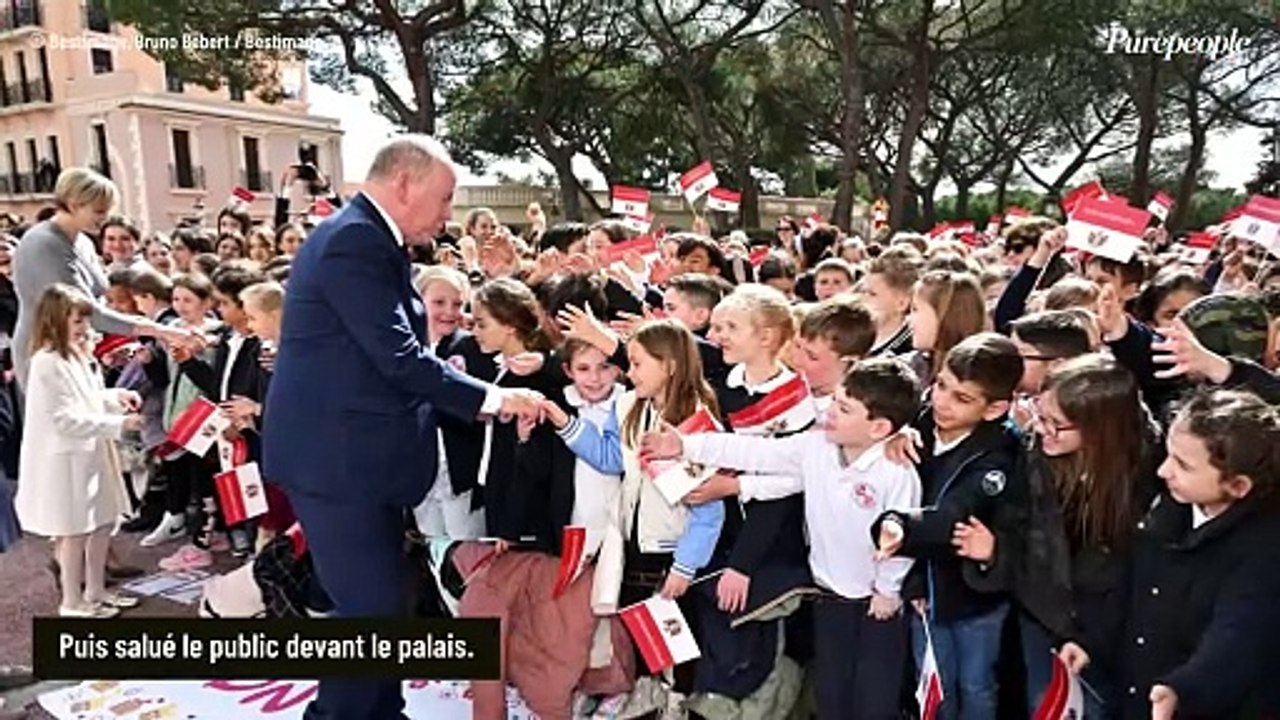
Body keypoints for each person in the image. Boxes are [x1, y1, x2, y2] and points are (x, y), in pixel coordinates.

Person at [262, 135, 542, 720]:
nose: (448, 215)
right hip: (338, 461)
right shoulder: (355, 242)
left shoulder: (363, 237)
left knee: (383, 606)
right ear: (405, 184)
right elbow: (399, 358)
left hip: (358, 459)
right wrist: (494, 398)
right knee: (370, 614)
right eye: (444, 199)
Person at [642, 357, 923, 720]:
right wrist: (685, 446)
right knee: (832, 695)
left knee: (873, 699)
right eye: (834, 401)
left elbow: (899, 539)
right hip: (829, 594)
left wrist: (888, 590)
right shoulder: (817, 446)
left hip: (876, 604)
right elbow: (755, 452)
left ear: (879, 426)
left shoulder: (896, 471)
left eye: (845, 409)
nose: (831, 413)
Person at [1061, 389, 1280, 719]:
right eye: (1168, 455)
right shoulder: (1166, 511)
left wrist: (1183, 688)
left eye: (1183, 465)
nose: (1164, 471)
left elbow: (1237, 638)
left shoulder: (1264, 552)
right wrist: (1092, 642)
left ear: (1237, 485)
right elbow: (1129, 590)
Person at [13, 284, 143, 617]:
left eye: (86, 320)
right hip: (65, 459)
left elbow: (84, 399)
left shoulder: (74, 354)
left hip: (89, 452)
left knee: (100, 524)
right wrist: (118, 425)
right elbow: (61, 418)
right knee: (73, 532)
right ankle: (72, 600)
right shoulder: (46, 362)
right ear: (55, 320)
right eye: (77, 320)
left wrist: (114, 397)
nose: (85, 328)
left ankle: (96, 590)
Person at [11, 168, 197, 393]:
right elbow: (87, 311)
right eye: (99, 210)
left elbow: (98, 304)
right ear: (73, 203)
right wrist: (164, 331)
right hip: (47, 352)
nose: (105, 218)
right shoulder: (43, 244)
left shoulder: (83, 242)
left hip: (79, 348)